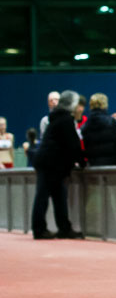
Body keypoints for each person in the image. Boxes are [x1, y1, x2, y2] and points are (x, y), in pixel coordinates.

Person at [31, 89, 85, 240]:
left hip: (48, 162)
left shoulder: (56, 118)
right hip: (52, 164)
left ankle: (60, 228)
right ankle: (41, 229)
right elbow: (73, 143)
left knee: (56, 196)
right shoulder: (66, 120)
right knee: (47, 196)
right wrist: (82, 161)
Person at [81, 93, 116, 167]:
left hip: (93, 165)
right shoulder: (111, 122)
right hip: (111, 165)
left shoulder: (85, 126)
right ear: (104, 104)